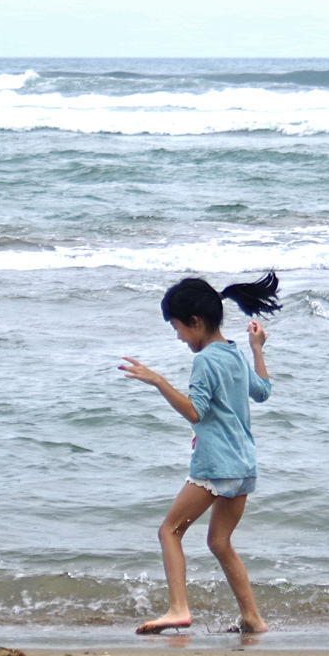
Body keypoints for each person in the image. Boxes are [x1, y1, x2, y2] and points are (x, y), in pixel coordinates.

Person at [118, 272, 279, 634]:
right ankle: (253, 619)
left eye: (176, 327)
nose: (177, 336)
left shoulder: (205, 360)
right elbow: (263, 392)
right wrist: (257, 350)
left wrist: (158, 380)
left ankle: (178, 609)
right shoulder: (236, 353)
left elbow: (196, 411)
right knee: (220, 542)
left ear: (195, 322)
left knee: (169, 531)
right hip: (244, 465)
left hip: (216, 465)